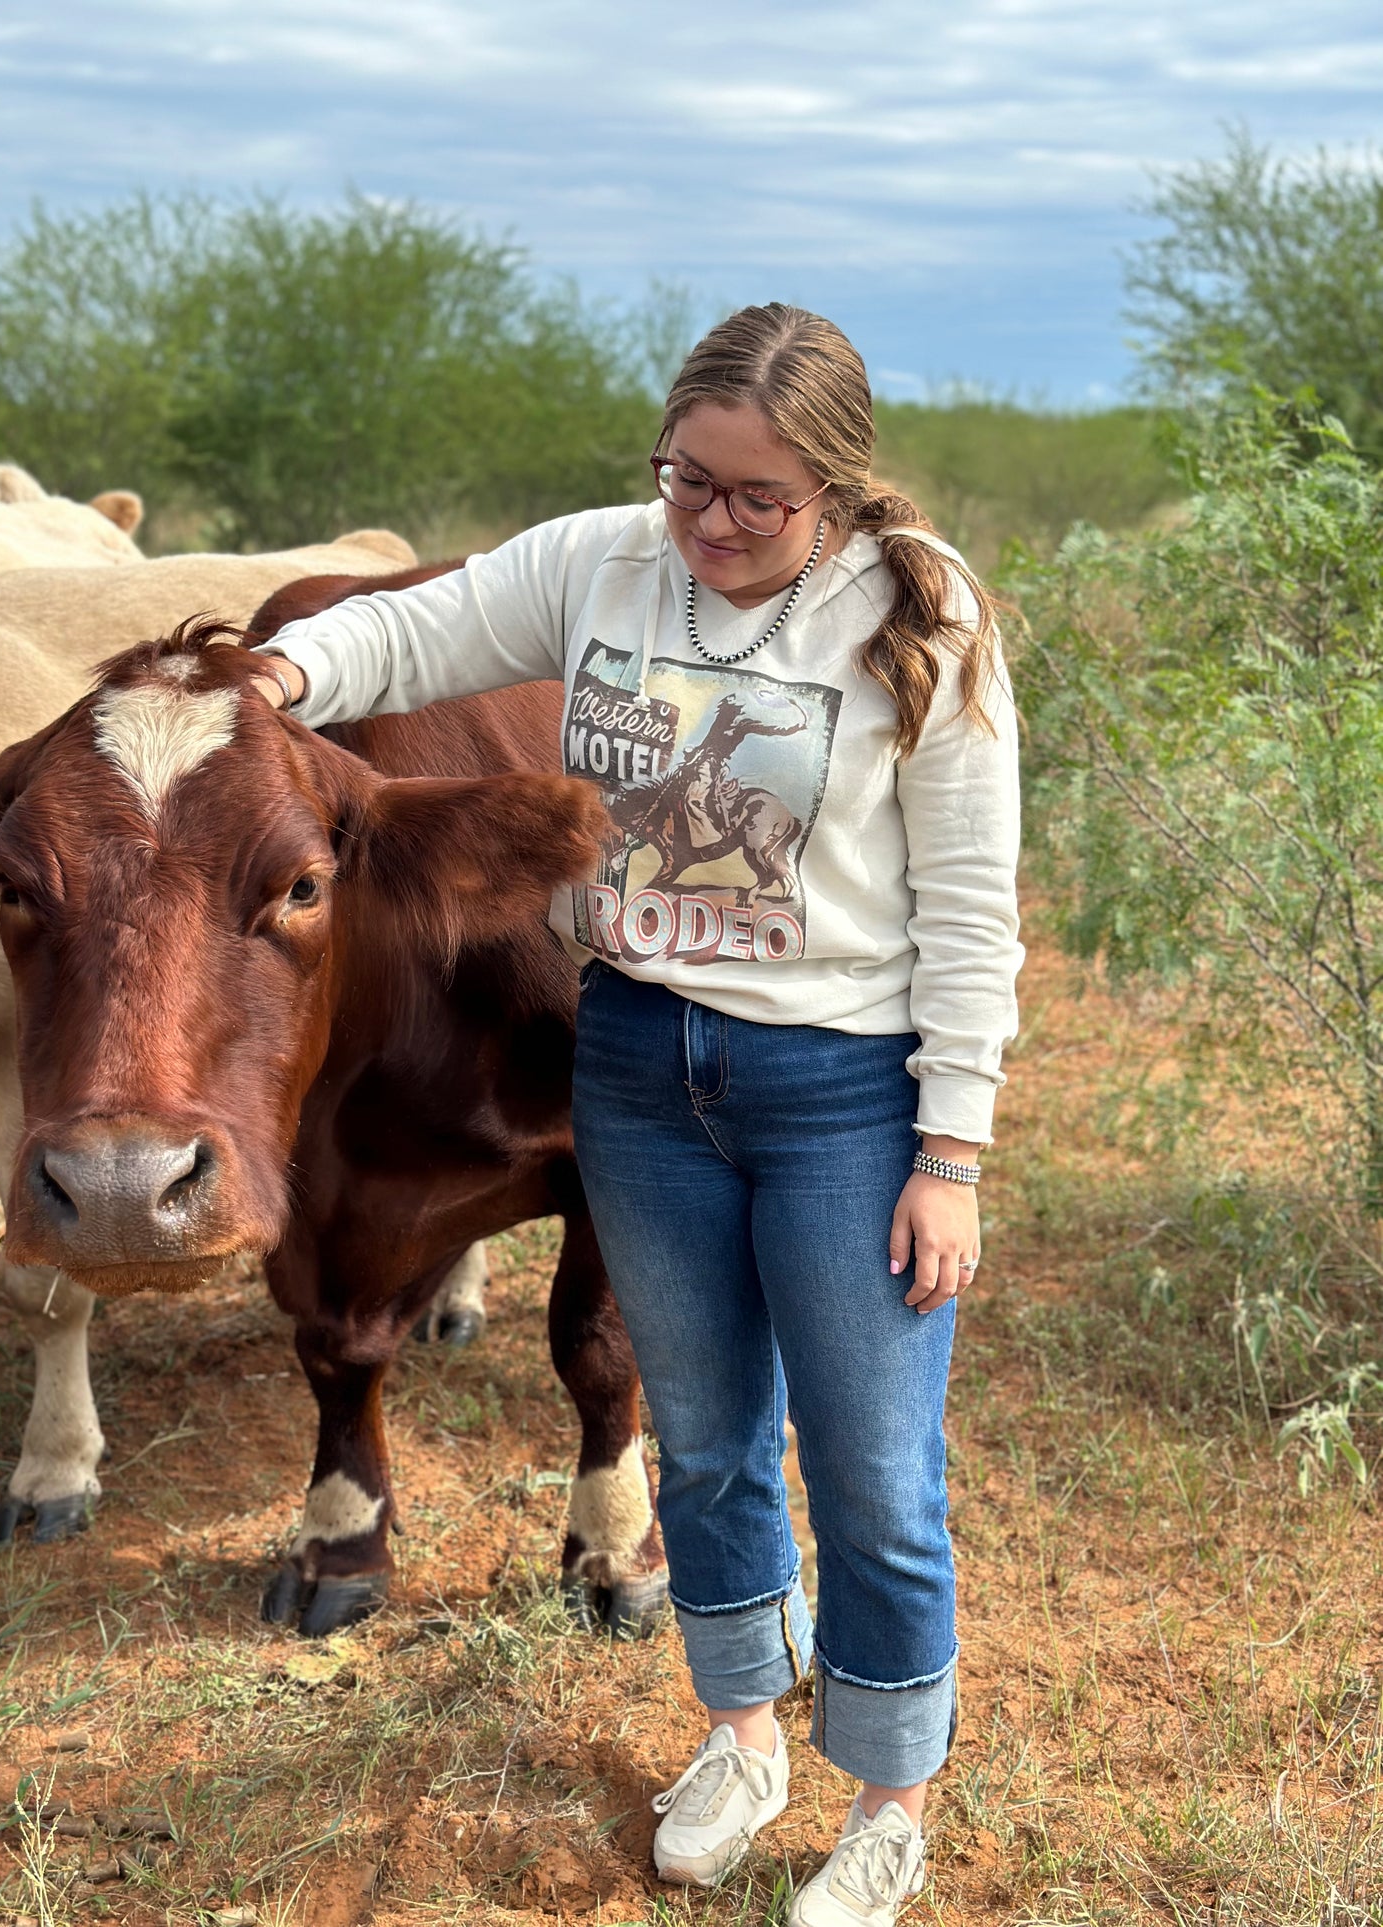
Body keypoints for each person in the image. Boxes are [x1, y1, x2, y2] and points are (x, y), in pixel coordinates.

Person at [254, 302, 1022, 1927]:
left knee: (875, 1473)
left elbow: (967, 903)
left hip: (838, 1090)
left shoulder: (917, 608)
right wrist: (277, 671)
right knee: (708, 1440)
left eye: (758, 498)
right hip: (638, 1066)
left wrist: (947, 1150)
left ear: (836, 486)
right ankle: (739, 1733)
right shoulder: (604, 561)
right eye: (688, 483)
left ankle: (886, 1802)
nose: (713, 526)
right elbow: (411, 634)